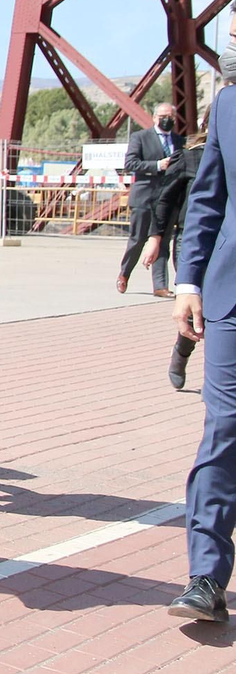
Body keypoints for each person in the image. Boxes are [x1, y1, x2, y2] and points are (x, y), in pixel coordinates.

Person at [170, 60, 236, 623]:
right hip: (231, 297)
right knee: (224, 427)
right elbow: (208, 200)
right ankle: (206, 577)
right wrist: (188, 281)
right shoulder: (229, 108)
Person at [146, 127, 210, 389]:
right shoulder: (189, 157)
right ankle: (181, 354)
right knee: (197, 305)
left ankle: (218, 377)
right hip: (192, 241)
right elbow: (164, 199)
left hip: (227, 242)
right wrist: (155, 237)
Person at [120, 102, 183, 298]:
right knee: (138, 239)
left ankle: (160, 286)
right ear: (155, 118)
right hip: (144, 197)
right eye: (163, 116)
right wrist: (157, 165)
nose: (167, 120)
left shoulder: (179, 140)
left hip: (168, 198)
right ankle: (124, 273)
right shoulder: (140, 137)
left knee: (162, 241)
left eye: (171, 116)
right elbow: (130, 163)